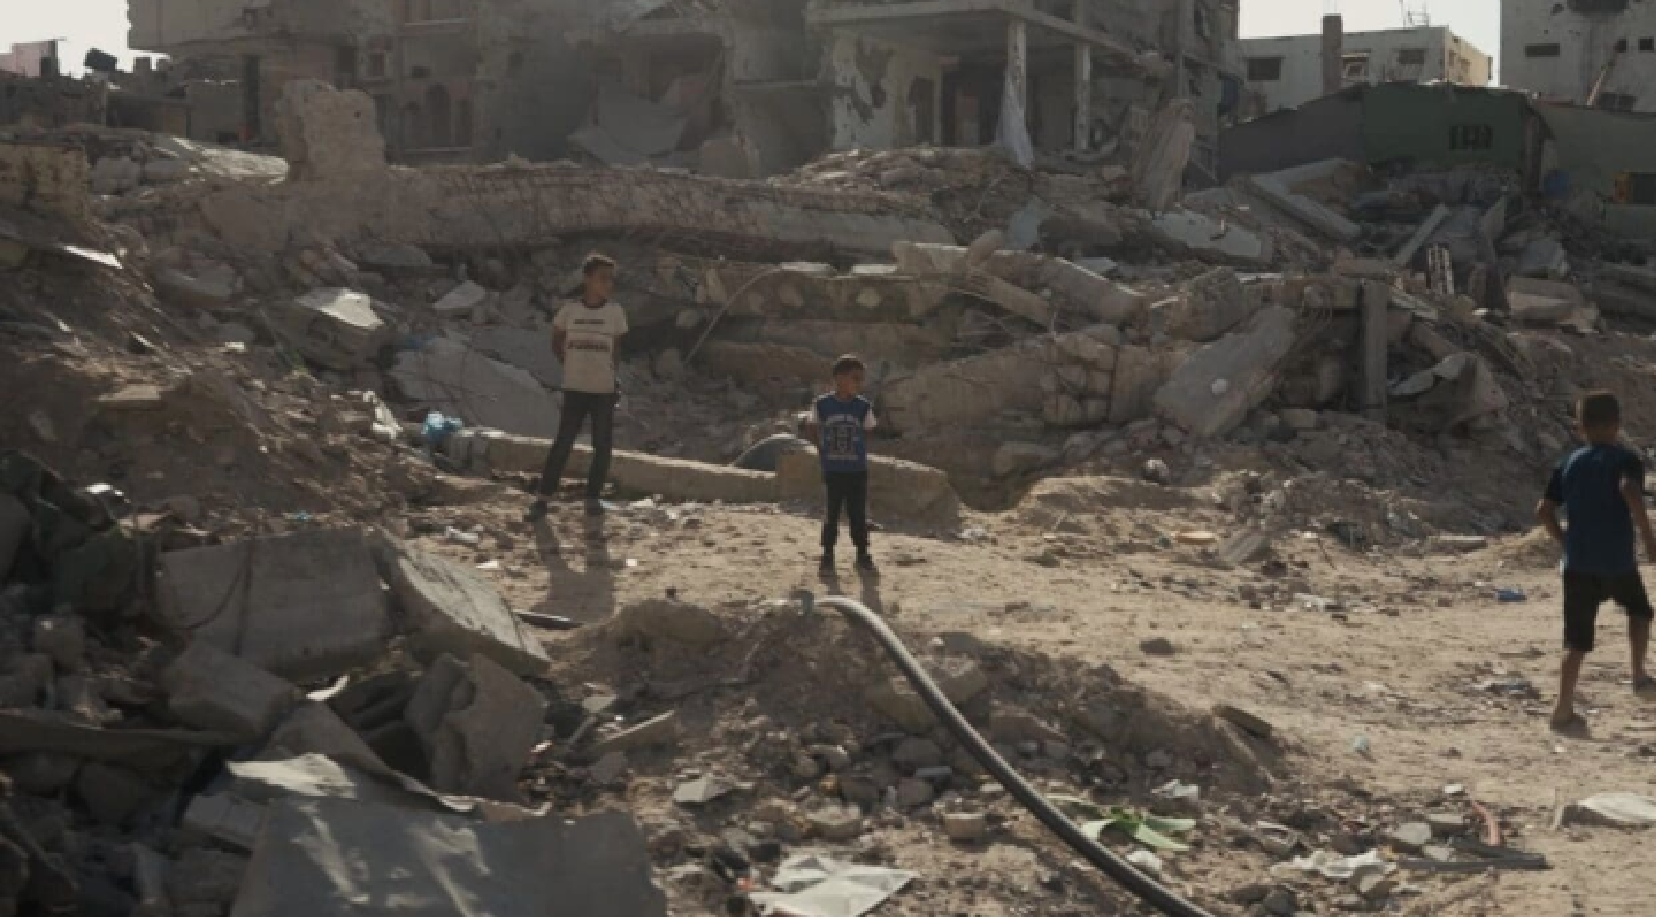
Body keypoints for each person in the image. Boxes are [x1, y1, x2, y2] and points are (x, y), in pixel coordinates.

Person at [1536, 390, 1656, 731]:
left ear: (1579, 427)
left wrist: (1565, 541)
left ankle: (1562, 707)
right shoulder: (1626, 459)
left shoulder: (1568, 463)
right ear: (1617, 425)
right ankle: (1638, 674)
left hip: (1577, 564)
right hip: (1616, 561)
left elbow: (1544, 510)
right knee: (1640, 611)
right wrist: (1649, 538)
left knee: (1575, 640)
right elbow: (1630, 491)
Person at [528, 253, 628, 520]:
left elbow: (615, 350)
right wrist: (570, 364)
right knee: (563, 443)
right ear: (587, 279)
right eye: (602, 278)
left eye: (611, 279)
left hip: (603, 390)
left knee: (602, 445)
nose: (608, 284)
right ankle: (542, 499)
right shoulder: (569, 311)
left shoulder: (615, 313)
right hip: (574, 388)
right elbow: (556, 341)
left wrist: (610, 376)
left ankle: (592, 498)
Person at [805, 355, 878, 575]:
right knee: (832, 512)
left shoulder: (863, 407)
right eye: (855, 378)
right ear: (840, 378)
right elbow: (812, 426)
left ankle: (862, 554)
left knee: (858, 513)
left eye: (861, 379)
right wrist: (823, 450)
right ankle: (827, 555)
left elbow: (868, 430)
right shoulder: (823, 404)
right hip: (834, 469)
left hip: (856, 470)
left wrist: (855, 450)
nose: (859, 383)